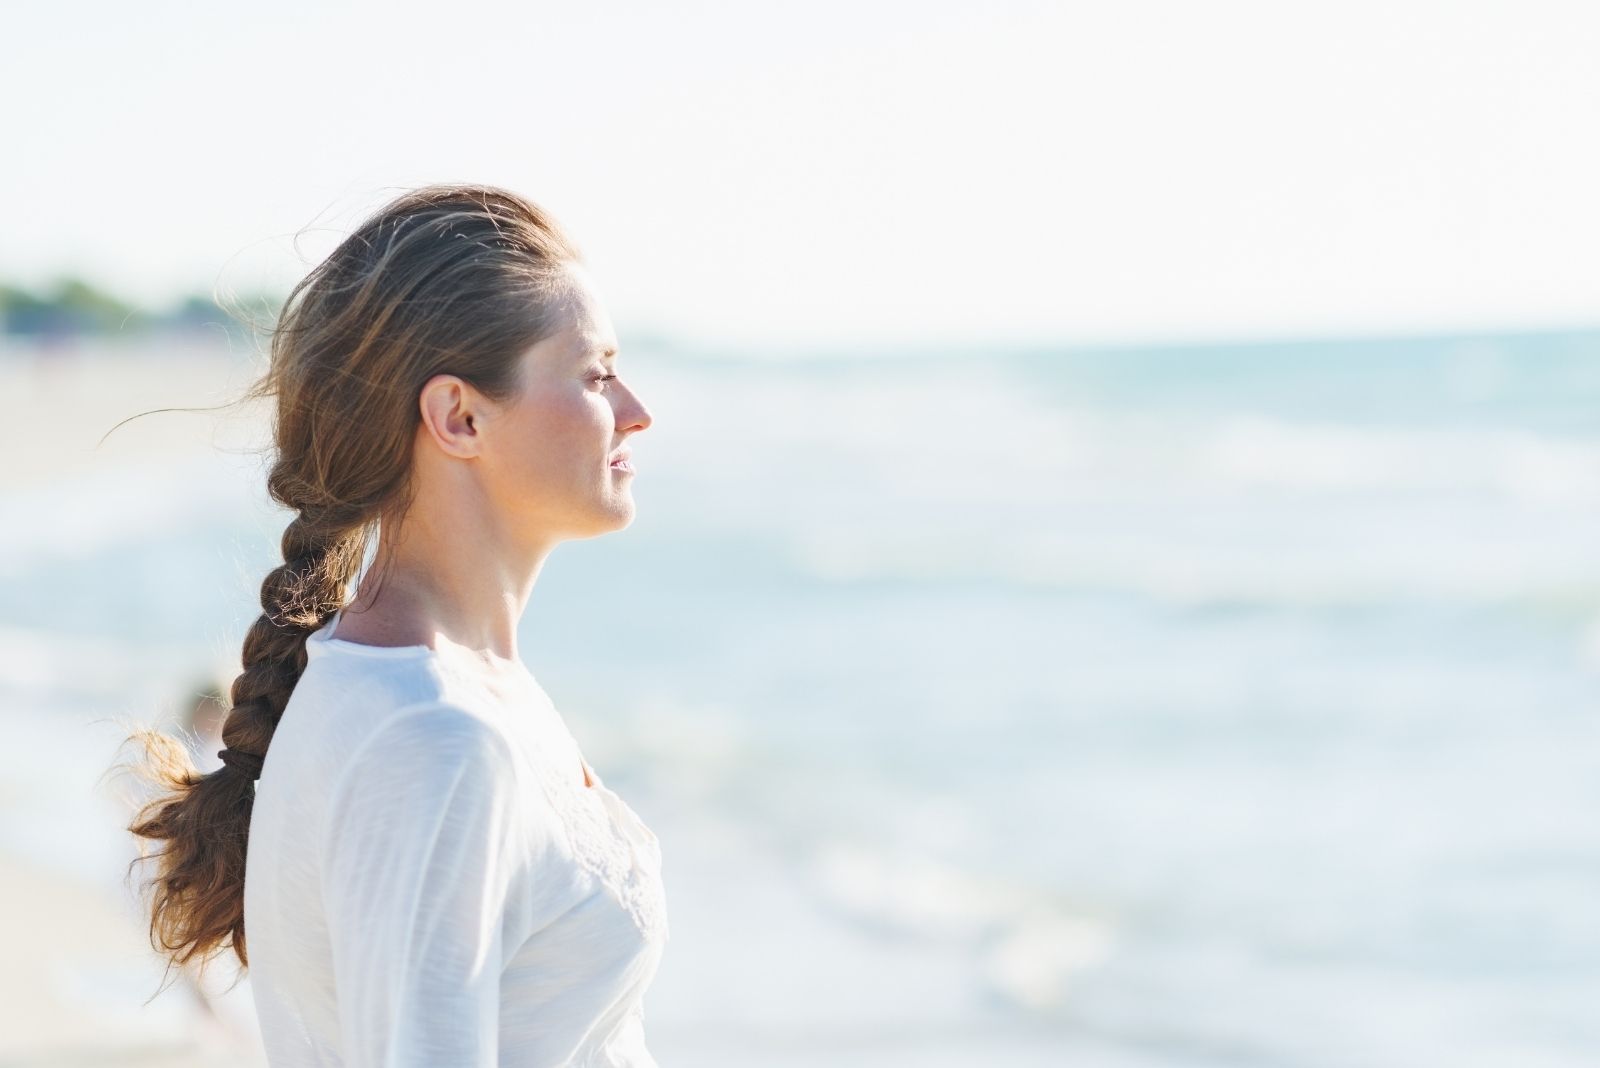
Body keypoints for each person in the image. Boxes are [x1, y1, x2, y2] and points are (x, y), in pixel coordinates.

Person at [119, 183, 666, 1066]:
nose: (636, 409)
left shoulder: (433, 687)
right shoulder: (434, 739)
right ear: (459, 416)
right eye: (596, 374)